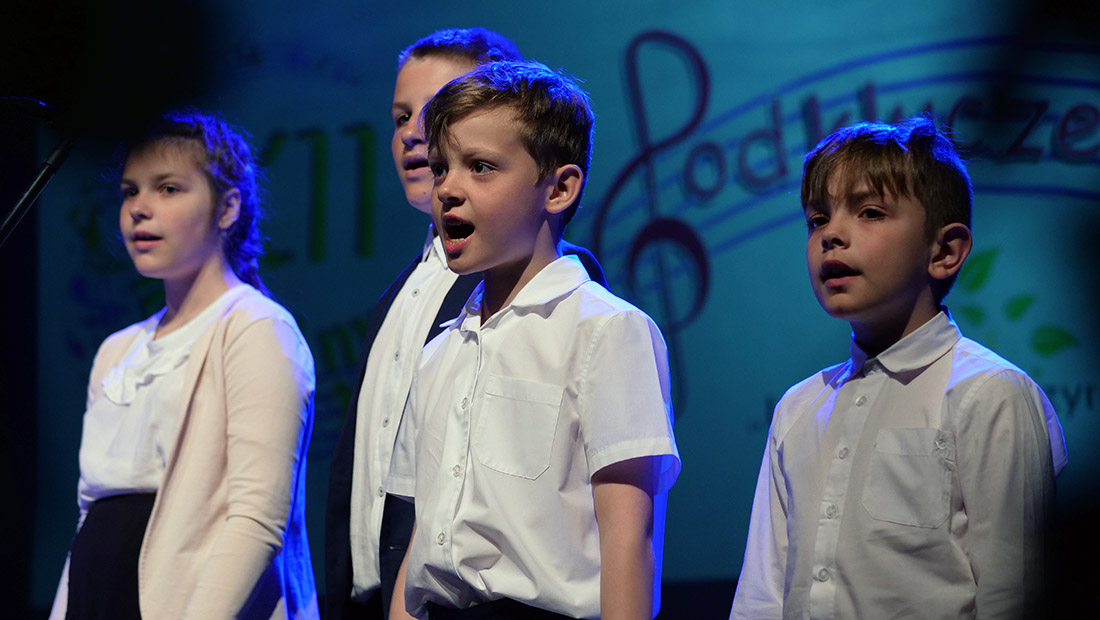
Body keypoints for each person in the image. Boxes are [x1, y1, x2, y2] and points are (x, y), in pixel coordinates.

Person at [728, 116, 1068, 620]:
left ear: (945, 251)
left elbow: (1014, 593)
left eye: (869, 212)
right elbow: (762, 596)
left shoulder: (990, 394)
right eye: (817, 219)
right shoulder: (798, 409)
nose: (832, 235)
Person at [325, 28, 607, 620]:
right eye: (401, 116)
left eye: (434, 110)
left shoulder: (531, 289)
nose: (414, 131)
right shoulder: (397, 296)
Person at [385, 60, 680, 620]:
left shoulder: (604, 331)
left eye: (480, 167)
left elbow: (629, 540)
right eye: (442, 168)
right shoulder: (440, 352)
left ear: (559, 188)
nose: (448, 189)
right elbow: (424, 542)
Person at [49, 110, 319, 620]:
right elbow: (89, 515)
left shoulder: (254, 328)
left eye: (168, 189)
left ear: (228, 207)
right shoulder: (117, 351)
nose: (139, 209)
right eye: (130, 191)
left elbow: (257, 519)